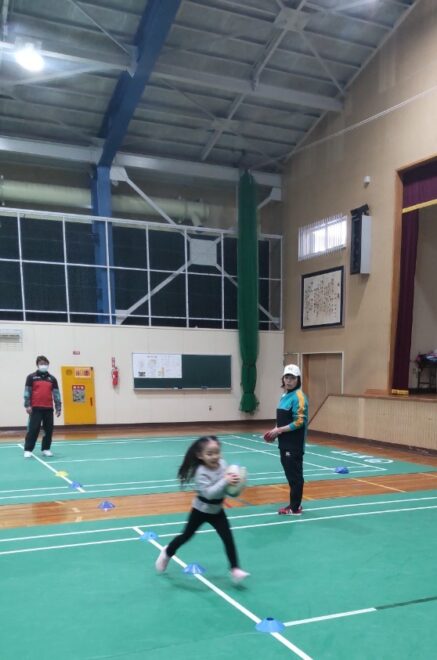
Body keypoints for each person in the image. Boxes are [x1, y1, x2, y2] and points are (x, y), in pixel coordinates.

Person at [155, 435, 250, 583]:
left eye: (217, 452)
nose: (214, 456)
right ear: (200, 455)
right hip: (200, 511)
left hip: (217, 511)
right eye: (209, 454)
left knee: (228, 538)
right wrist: (225, 481)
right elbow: (209, 494)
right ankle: (167, 552)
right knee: (186, 536)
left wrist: (236, 484)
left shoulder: (223, 464)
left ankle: (235, 569)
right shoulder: (200, 472)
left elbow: (227, 489)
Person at [264, 364, 308, 515]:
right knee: (290, 475)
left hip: (294, 444)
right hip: (284, 443)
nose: (289, 380)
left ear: (298, 379)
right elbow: (283, 419)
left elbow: (299, 422)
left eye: (292, 378)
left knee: (295, 477)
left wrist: (279, 430)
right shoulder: (284, 396)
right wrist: (274, 432)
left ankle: (295, 508)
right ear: (283, 379)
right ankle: (295, 504)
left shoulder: (299, 397)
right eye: (286, 377)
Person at [23, 355, 62, 458]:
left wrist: (58, 407)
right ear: (37, 365)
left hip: (48, 409)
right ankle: (28, 450)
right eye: (41, 363)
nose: (43, 365)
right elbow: (27, 392)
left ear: (48, 365)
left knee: (48, 430)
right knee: (33, 429)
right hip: (35, 408)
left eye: (45, 363)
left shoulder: (52, 379)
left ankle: (46, 449)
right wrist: (27, 405)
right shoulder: (31, 377)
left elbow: (56, 394)